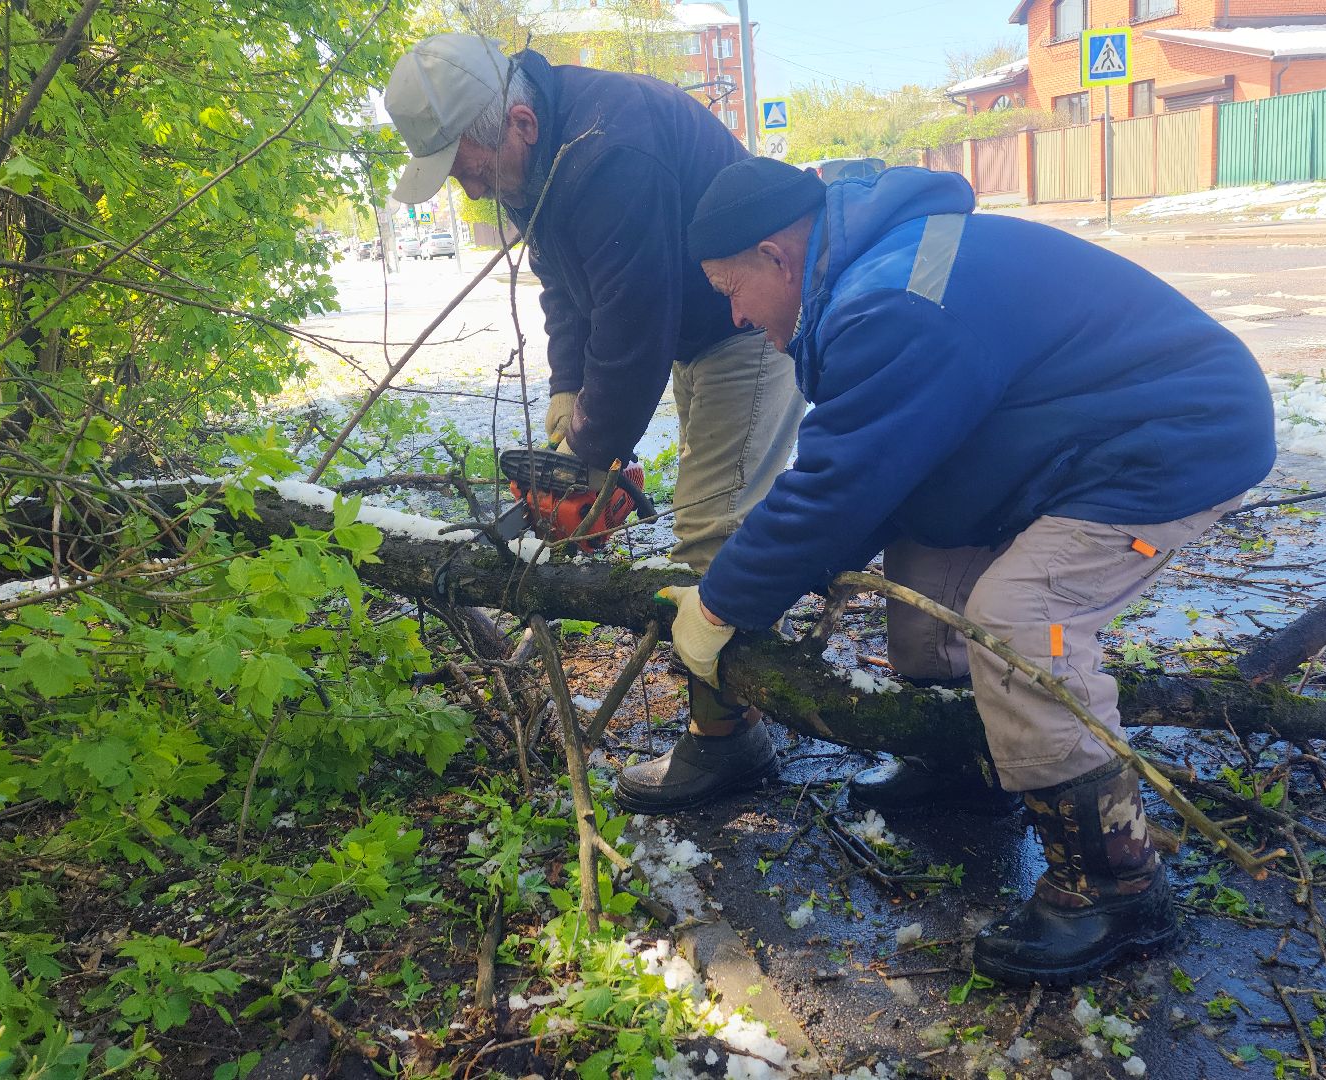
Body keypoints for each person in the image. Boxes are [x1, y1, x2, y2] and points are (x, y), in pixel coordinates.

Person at [651, 157, 1278, 984]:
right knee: (925, 594)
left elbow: (842, 479)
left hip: (1169, 442)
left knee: (1019, 617)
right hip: (1061, 439)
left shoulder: (892, 299)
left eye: (732, 289)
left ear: (776, 256)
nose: (734, 315)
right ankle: (968, 762)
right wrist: (791, 570)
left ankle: (1114, 885)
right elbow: (883, 464)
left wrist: (722, 603)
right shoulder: (875, 271)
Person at [380, 35, 802, 800]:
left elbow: (634, 318)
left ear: (518, 121)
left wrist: (590, 456)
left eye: (469, 170)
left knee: (709, 534)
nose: (470, 193)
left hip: (746, 324)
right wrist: (567, 391)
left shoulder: (613, 148)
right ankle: (730, 705)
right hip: (690, 332)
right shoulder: (536, 159)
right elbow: (565, 286)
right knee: (704, 512)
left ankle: (727, 735)